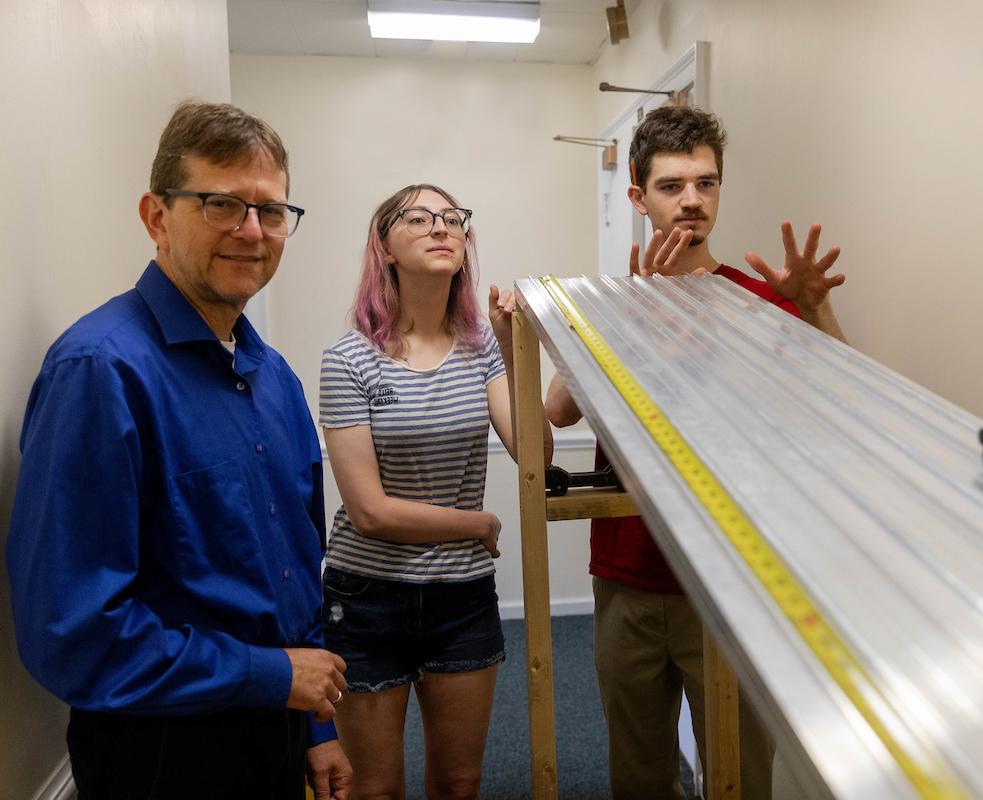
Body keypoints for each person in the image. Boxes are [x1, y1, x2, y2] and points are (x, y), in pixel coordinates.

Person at [6, 101, 352, 799]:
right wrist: (274, 676)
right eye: (221, 204)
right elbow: (72, 634)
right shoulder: (100, 372)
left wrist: (314, 724)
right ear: (157, 217)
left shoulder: (274, 379)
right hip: (162, 750)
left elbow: (292, 574)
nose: (251, 231)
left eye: (271, 210)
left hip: (276, 726)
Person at [544, 105, 848, 800]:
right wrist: (625, 317)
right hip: (628, 568)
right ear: (638, 198)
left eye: (705, 184)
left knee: (739, 776)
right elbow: (557, 411)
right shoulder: (612, 303)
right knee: (640, 774)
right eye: (672, 185)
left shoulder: (758, 300)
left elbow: (840, 398)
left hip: (735, 582)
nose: (691, 201)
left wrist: (814, 310)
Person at [319, 183, 548, 800]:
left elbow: (538, 455)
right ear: (385, 247)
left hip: (461, 597)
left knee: (459, 782)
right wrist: (474, 524)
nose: (440, 227)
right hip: (368, 595)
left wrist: (509, 343)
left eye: (452, 218)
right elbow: (369, 512)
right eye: (418, 218)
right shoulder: (350, 359)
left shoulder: (481, 352)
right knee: (375, 789)